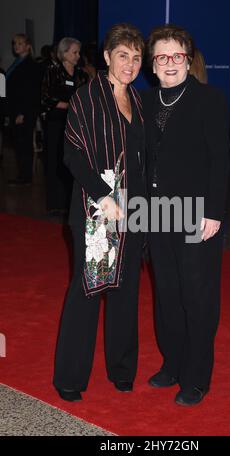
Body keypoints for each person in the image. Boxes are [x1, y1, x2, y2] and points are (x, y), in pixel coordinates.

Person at [53, 23, 146, 401]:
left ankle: (122, 369)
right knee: (88, 291)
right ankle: (70, 378)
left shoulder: (139, 100)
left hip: (135, 212)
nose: (130, 64)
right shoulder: (87, 97)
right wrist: (104, 196)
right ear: (107, 57)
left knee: (127, 290)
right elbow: (72, 154)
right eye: (122, 55)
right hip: (98, 212)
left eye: (137, 57)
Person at [142, 24, 229, 406]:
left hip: (196, 213)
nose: (171, 63)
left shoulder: (208, 99)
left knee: (198, 295)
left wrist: (213, 212)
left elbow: (219, 161)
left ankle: (197, 376)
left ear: (188, 60)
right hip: (155, 212)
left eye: (178, 55)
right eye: (162, 56)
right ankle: (173, 364)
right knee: (167, 292)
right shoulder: (144, 102)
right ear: (153, 64)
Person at [41, 37, 88, 214]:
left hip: (76, 125)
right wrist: (69, 105)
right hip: (57, 123)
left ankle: (72, 203)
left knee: (72, 163)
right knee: (55, 159)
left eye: (78, 52)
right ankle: (55, 203)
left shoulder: (81, 75)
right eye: (74, 52)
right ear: (64, 52)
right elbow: (46, 99)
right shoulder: (52, 72)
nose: (78, 56)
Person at [5, 34, 41, 185]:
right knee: (19, 144)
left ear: (27, 46)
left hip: (24, 112)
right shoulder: (17, 63)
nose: (16, 46)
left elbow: (30, 92)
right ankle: (22, 175)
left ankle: (25, 177)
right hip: (16, 110)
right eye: (14, 43)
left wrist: (22, 113)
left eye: (20, 43)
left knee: (24, 144)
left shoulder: (30, 65)